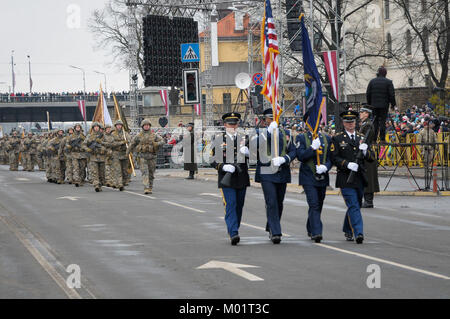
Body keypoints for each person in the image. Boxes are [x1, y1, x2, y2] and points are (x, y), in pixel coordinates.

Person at [330, 110, 376, 244]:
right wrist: (347, 164)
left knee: (354, 205)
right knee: (354, 205)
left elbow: (372, 158)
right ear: (343, 123)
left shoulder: (362, 137)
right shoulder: (338, 138)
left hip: (360, 177)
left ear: (356, 122)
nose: (350, 124)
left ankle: (347, 229)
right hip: (345, 177)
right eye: (347, 122)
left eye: (352, 122)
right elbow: (334, 158)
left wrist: (366, 151)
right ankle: (358, 233)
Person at [254, 109, 297, 244]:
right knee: (271, 201)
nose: (272, 120)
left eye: (275, 117)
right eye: (269, 118)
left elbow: (293, 151)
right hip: (267, 171)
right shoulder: (258, 133)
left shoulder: (286, 133)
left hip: (281, 171)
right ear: (265, 119)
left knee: (279, 202)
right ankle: (276, 232)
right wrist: (267, 133)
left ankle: (271, 224)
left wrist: (285, 159)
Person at [210, 112, 250, 245]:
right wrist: (223, 167)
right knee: (231, 204)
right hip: (226, 179)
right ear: (224, 124)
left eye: (234, 124)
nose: (232, 126)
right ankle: (233, 232)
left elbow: (257, 155)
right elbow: (212, 159)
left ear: (238, 124)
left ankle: (234, 228)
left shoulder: (244, 138)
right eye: (229, 124)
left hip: (241, 177)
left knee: (239, 206)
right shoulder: (218, 139)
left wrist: (249, 152)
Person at [296, 123, 332, 243]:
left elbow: (331, 158)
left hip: (322, 176)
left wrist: (326, 167)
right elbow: (301, 156)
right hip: (308, 177)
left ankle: (311, 226)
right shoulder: (302, 138)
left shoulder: (326, 138)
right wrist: (312, 148)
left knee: (319, 203)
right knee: (314, 204)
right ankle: (317, 232)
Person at [127, 119, 165, 194]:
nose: (146, 126)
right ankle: (146, 187)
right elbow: (132, 144)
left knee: (151, 173)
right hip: (142, 157)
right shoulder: (138, 136)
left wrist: (156, 144)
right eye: (145, 125)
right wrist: (127, 152)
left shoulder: (154, 135)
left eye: (148, 125)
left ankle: (150, 186)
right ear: (142, 126)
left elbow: (162, 141)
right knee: (145, 173)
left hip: (152, 157)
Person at [366, 66, 396, 142]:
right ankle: (382, 139)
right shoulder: (388, 82)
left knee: (375, 122)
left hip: (374, 105)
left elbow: (368, 94)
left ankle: (374, 138)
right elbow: (392, 95)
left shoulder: (372, 81)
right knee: (382, 122)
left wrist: (369, 104)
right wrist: (393, 105)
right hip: (384, 105)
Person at [359, 106, 380, 208]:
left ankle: (368, 201)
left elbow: (366, 138)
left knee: (368, 178)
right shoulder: (364, 124)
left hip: (367, 152)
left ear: (367, 114)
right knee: (365, 177)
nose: (360, 114)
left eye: (362, 112)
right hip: (364, 151)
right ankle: (367, 200)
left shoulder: (367, 125)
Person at [83, 122, 107, 192]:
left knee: (102, 173)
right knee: (94, 172)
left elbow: (108, 144)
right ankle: (96, 185)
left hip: (102, 157)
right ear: (93, 128)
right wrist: (88, 149)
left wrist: (102, 146)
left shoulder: (103, 136)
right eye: (95, 127)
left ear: (99, 128)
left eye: (97, 127)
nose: (96, 128)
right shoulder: (89, 136)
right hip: (93, 157)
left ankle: (100, 184)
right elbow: (84, 145)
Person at [109, 120, 131, 191]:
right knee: (118, 170)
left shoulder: (125, 134)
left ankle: (123, 182)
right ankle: (120, 184)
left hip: (124, 154)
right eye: (117, 125)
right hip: (116, 154)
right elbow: (111, 144)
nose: (119, 126)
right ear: (115, 126)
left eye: (120, 125)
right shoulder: (112, 134)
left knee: (124, 170)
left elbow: (129, 141)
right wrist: (121, 142)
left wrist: (128, 143)